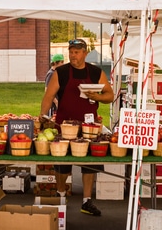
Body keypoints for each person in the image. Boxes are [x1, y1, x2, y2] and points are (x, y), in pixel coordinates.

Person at [39, 38, 114, 216]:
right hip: (65, 126)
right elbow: (49, 96)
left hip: (89, 127)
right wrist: (42, 116)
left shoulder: (95, 72)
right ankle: (61, 194)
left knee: (89, 163)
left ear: (85, 53)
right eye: (71, 52)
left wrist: (97, 97)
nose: (73, 55)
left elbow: (110, 95)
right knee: (62, 163)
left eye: (77, 52)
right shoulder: (61, 72)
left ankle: (86, 201)